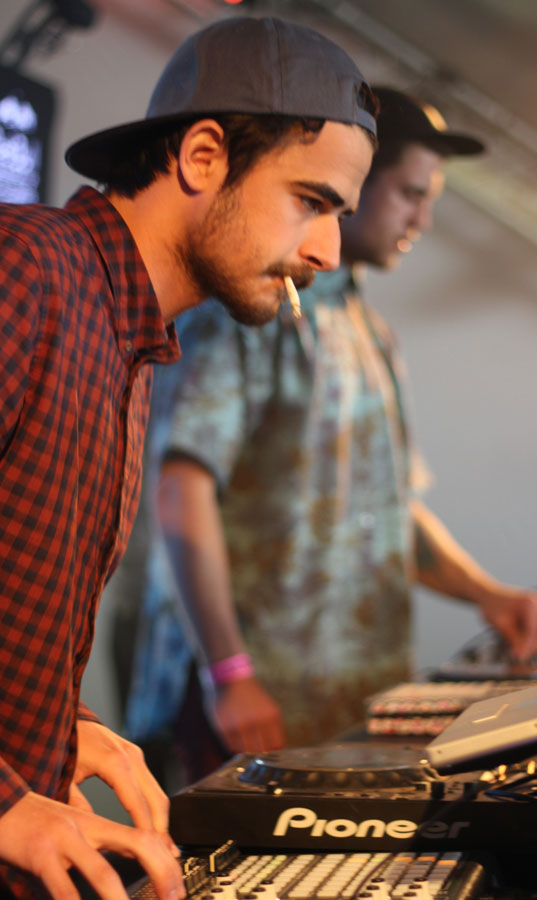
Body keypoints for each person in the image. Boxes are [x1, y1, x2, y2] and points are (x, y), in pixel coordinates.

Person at [0, 15, 377, 900]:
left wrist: (56, 722)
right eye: (311, 201)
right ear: (204, 156)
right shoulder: (25, 267)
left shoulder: (128, 340)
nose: (327, 252)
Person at [122, 86, 537, 789]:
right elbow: (182, 491)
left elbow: (390, 512)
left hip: (346, 711)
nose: (422, 218)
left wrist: (490, 595)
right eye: (410, 194)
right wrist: (229, 671)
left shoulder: (371, 333)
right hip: (244, 706)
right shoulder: (249, 312)